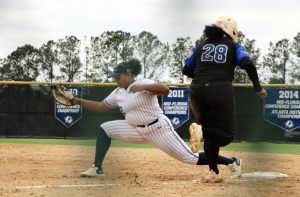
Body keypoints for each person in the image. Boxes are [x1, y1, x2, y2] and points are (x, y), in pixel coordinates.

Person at [67, 58, 240, 183]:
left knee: (190, 158)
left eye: (118, 76)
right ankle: (97, 168)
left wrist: (144, 87)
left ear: (128, 75)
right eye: (115, 77)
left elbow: (165, 89)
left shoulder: (142, 82)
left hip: (158, 128)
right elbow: (100, 107)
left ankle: (231, 161)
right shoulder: (118, 92)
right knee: (105, 128)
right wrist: (77, 101)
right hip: (135, 129)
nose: (116, 79)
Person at [182, 16, 268, 181]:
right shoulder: (234, 46)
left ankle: (213, 172)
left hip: (196, 91)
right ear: (232, 31)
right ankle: (201, 131)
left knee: (211, 135)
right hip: (219, 89)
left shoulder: (201, 46)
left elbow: (186, 69)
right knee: (226, 135)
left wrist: (203, 76)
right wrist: (258, 88)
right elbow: (248, 64)